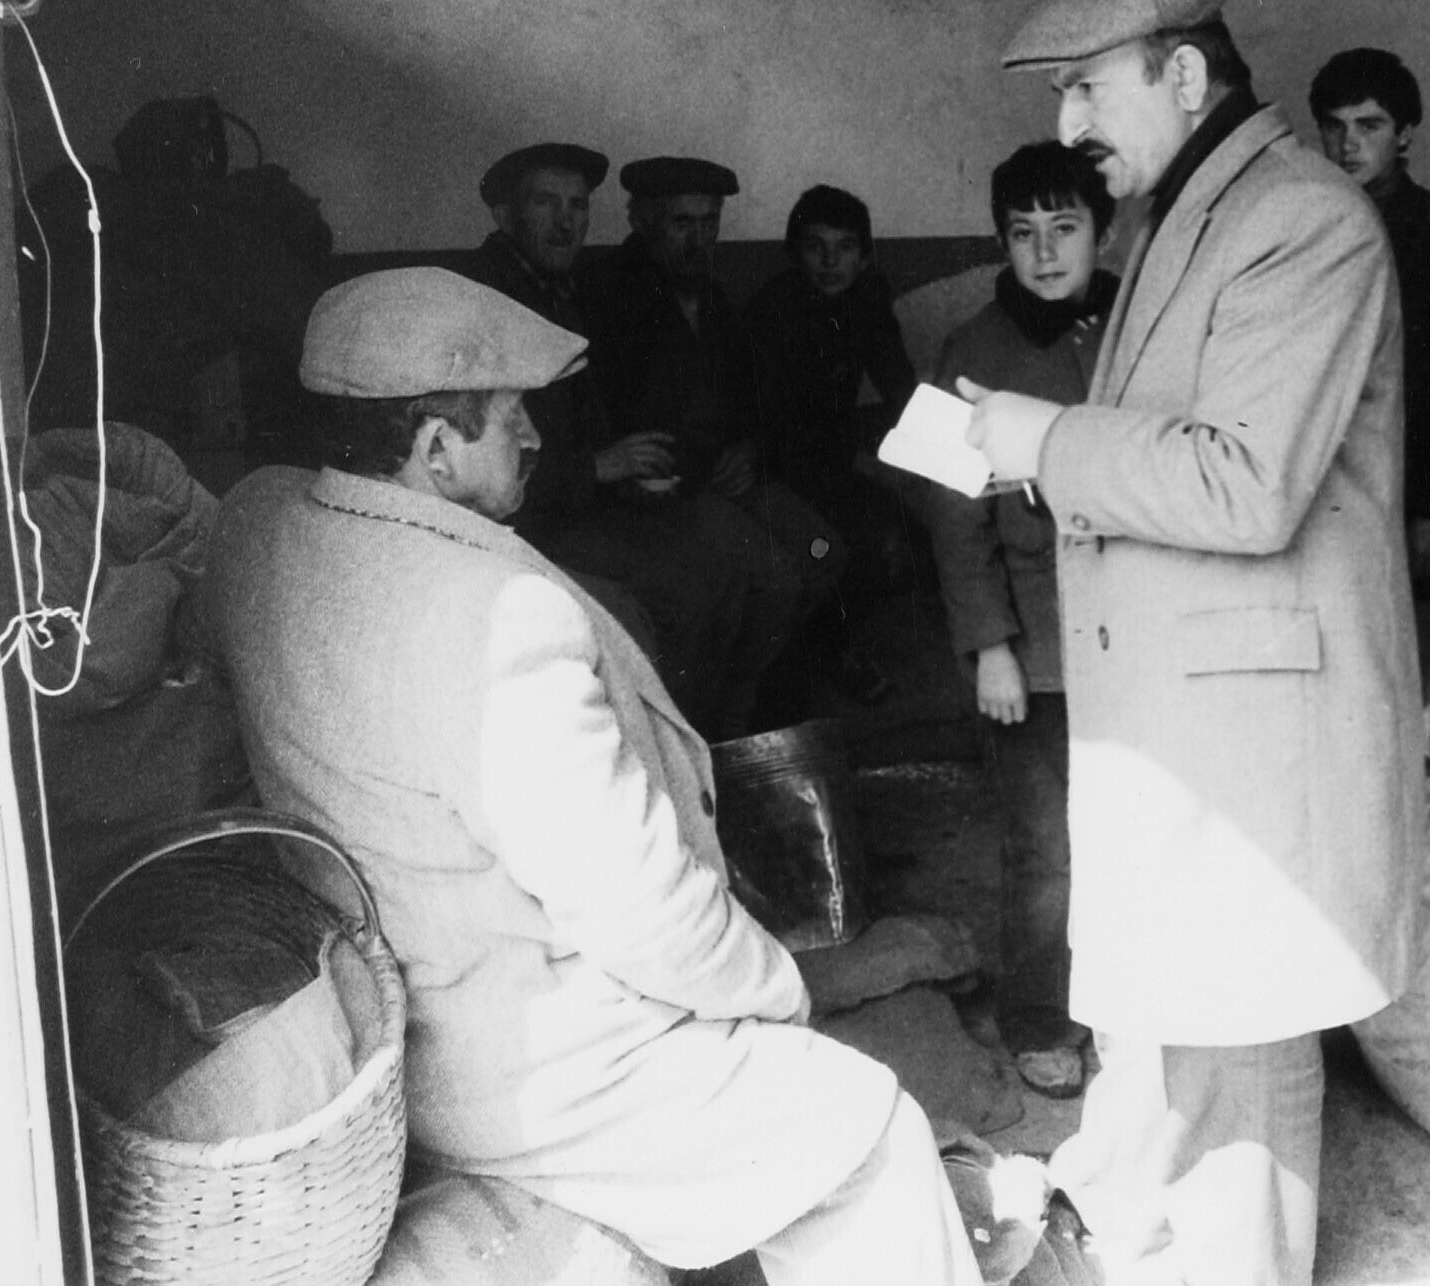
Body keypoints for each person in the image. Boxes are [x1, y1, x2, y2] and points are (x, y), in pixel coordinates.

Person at [199, 266, 981, 1285]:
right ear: (434, 450)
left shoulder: (255, 526)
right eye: (509, 415)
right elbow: (645, 918)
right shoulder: (499, 618)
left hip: (383, 1020)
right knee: (871, 1133)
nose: (534, 436)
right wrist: (781, 992)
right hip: (534, 1073)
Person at [963, 0, 1423, 1286]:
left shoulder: (1302, 220)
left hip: (1250, 718)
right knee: (1178, 1022)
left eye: (1086, 88)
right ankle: (1146, 1233)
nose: (1067, 125)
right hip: (1186, 702)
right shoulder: (1183, 216)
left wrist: (1045, 441)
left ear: (1180, 74)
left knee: (1242, 1040)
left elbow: (1244, 480)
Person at [924, 141, 1119, 1105]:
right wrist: (990, 645)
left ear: (1100, 231)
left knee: (1138, 830)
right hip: (1035, 645)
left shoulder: (1136, 327)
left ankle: (1129, 1007)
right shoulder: (969, 350)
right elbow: (950, 517)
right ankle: (1042, 1017)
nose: (1044, 252)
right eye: (1022, 232)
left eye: (1065, 227)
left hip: (1138, 631)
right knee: (1045, 849)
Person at [577, 154, 852, 717]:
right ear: (642, 221)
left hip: (735, 481)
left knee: (824, 550)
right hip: (673, 498)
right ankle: (722, 716)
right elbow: (618, 425)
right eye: (683, 223)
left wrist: (750, 450)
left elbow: (753, 399)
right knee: (775, 579)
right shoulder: (610, 297)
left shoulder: (711, 296)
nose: (699, 239)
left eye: (710, 222)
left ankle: (751, 690)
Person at [1308, 48, 1430, 592]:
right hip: (1315, 477)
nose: (1348, 144)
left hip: (1405, 484)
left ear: (1405, 134)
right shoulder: (1301, 224)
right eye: (1334, 126)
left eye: (1369, 126)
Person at [742, 184, 924, 593]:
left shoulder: (868, 298)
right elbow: (780, 427)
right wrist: (868, 465)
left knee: (922, 529)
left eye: (845, 247)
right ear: (794, 253)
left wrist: (926, 449)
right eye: (815, 247)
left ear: (864, 257)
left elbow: (899, 384)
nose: (830, 261)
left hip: (840, 445)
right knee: (837, 548)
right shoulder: (770, 312)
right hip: (781, 463)